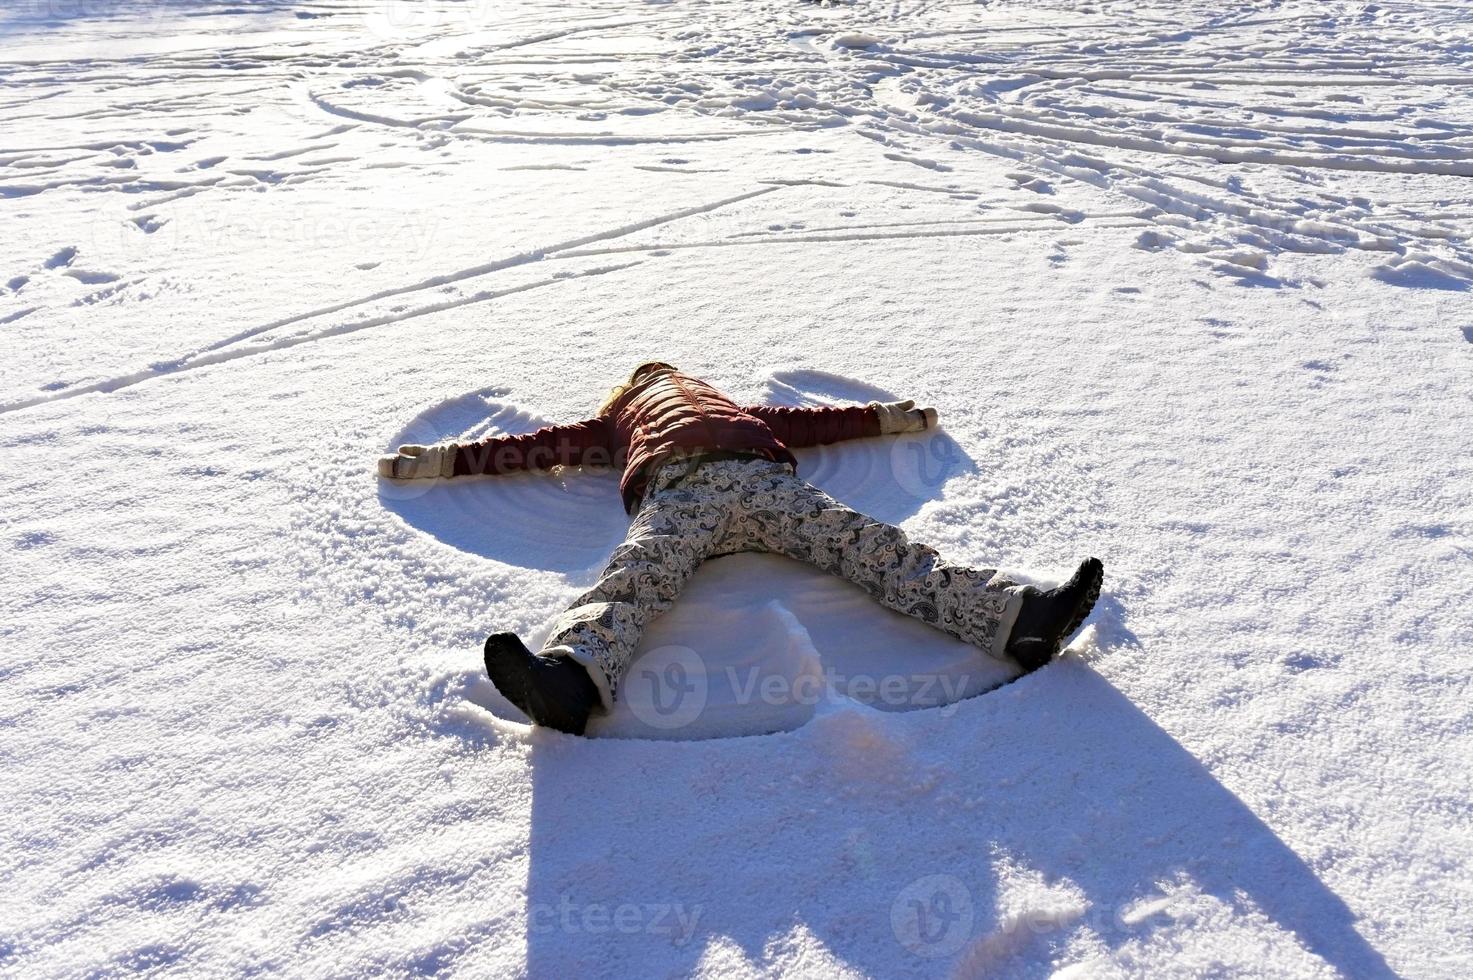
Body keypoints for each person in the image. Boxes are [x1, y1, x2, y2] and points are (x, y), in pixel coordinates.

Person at [379, 363, 1103, 734]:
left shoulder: (740, 415)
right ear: (627, 395)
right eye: (649, 381)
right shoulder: (612, 427)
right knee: (638, 575)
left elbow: (818, 425)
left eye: (672, 377)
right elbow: (536, 447)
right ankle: (570, 680)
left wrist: (891, 417)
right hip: (680, 492)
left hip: (764, 488)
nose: (666, 384)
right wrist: (437, 463)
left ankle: (1016, 620)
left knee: (871, 547)